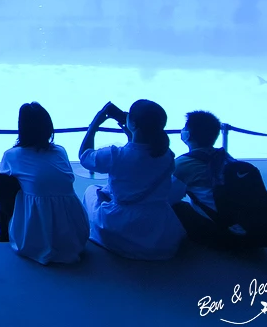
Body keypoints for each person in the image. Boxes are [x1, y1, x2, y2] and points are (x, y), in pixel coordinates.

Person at [78, 100, 186, 261]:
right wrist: (130, 130)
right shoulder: (167, 154)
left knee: (91, 191)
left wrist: (96, 123)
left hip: (123, 227)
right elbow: (138, 153)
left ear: (134, 123)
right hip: (159, 232)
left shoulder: (116, 155)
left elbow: (85, 156)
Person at [0, 102, 89, 265]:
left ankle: (4, 235)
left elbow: (3, 183)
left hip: (35, 239)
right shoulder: (60, 151)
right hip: (75, 233)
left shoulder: (12, 155)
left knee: (3, 182)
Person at [173, 110, 267, 250]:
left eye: (185, 128)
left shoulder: (182, 164)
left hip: (232, 236)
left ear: (188, 134)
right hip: (261, 232)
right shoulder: (224, 157)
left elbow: (168, 196)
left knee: (178, 207)